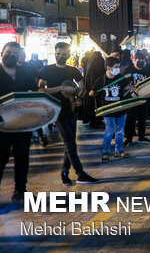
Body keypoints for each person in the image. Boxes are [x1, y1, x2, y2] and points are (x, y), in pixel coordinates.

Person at [38, 42, 98, 185]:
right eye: (58, 53)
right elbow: (40, 90)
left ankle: (64, 173)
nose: (60, 56)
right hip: (56, 110)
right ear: (55, 53)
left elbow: (82, 88)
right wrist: (61, 88)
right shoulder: (47, 70)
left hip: (71, 110)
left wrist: (78, 99)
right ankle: (80, 174)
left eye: (63, 54)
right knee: (70, 143)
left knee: (70, 143)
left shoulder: (73, 71)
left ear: (68, 54)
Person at [0, 43, 39, 202]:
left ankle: (20, 191)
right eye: (8, 52)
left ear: (19, 57)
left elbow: (35, 93)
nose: (11, 56)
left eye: (15, 54)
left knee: (22, 159)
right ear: (2, 53)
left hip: (23, 125)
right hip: (1, 126)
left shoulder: (25, 73)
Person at [90, 57, 133, 162]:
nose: (118, 69)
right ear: (108, 67)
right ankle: (105, 152)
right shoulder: (101, 79)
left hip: (121, 108)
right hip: (108, 109)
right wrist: (92, 93)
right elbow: (92, 92)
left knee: (120, 131)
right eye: (116, 67)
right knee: (109, 131)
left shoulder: (121, 78)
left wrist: (133, 87)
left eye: (119, 67)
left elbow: (129, 87)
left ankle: (119, 150)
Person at [125, 51, 150, 145]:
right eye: (139, 59)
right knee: (130, 120)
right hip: (132, 99)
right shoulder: (129, 70)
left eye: (143, 60)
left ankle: (141, 136)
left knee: (142, 119)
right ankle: (128, 139)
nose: (141, 61)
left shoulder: (147, 70)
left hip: (144, 98)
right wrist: (130, 87)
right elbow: (124, 83)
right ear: (134, 60)